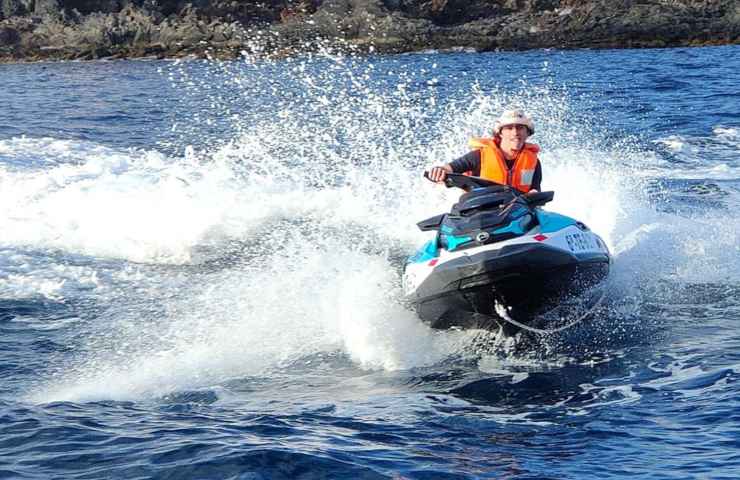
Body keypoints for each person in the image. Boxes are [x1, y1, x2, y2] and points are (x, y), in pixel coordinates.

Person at [428, 109, 542, 195]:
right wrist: (439, 171)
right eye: (509, 128)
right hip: (482, 210)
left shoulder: (534, 162)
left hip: (516, 212)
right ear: (500, 133)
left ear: (528, 133)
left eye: (520, 128)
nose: (515, 132)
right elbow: (449, 169)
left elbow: (535, 188)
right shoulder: (478, 156)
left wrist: (534, 195)